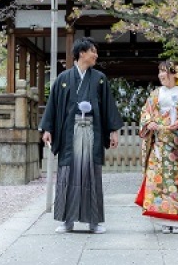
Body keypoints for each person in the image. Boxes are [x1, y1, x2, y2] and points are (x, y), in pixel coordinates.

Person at [40, 37, 124, 234]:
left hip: (91, 132)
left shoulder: (100, 78)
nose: (96, 55)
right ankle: (67, 220)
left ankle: (93, 222)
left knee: (91, 175)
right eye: (93, 51)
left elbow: (108, 107)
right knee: (67, 174)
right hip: (70, 133)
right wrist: (47, 128)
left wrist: (113, 131)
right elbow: (52, 105)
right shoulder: (63, 79)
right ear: (81, 53)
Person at [134, 60, 178, 234]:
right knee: (159, 182)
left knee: (177, 182)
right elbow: (146, 112)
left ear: (175, 73)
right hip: (159, 144)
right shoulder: (156, 93)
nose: (160, 75)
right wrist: (149, 122)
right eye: (159, 72)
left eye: (164, 71)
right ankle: (163, 219)